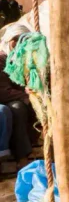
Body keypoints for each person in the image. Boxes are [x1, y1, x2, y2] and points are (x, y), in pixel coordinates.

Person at [0, 22, 35, 165]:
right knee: (15, 108)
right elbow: (2, 91)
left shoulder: (17, 59)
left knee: (20, 107)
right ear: (13, 44)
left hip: (10, 97)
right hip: (3, 98)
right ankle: (21, 156)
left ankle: (24, 154)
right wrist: (25, 96)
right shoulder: (1, 59)